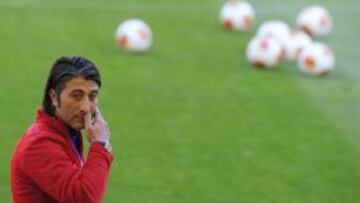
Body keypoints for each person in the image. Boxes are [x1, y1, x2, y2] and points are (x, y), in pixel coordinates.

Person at [10, 56, 114, 203]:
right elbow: (84, 197)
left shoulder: (68, 132)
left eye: (92, 96)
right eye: (76, 96)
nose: (85, 107)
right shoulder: (39, 145)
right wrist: (101, 146)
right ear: (53, 97)